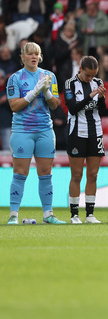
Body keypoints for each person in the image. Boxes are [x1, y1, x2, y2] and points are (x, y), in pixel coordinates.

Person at [6, 42, 65, 224]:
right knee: (20, 173)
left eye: (36, 54)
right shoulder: (15, 78)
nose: (33, 56)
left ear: (39, 57)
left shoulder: (49, 76)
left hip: (45, 130)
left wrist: (46, 92)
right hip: (22, 130)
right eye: (29, 53)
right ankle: (13, 215)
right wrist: (33, 92)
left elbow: (55, 105)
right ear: (22, 57)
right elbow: (14, 106)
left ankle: (48, 215)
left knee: (46, 173)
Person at [64, 56, 106, 224]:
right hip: (77, 132)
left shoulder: (98, 82)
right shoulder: (70, 84)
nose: (91, 78)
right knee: (76, 175)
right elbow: (73, 108)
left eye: (93, 75)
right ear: (80, 68)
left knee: (93, 175)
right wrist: (90, 96)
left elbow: (102, 110)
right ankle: (74, 214)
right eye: (88, 75)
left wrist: (101, 97)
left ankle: (90, 214)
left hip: (95, 132)